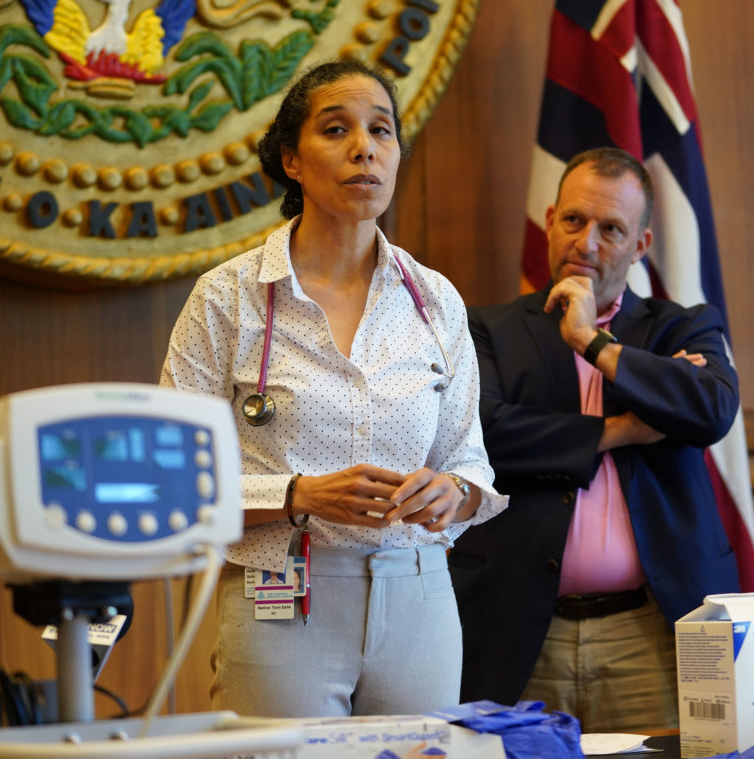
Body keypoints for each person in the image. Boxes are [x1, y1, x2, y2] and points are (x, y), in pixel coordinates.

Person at [159, 59, 506, 719]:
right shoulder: (227, 299)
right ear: (292, 159)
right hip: (279, 599)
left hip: (420, 598)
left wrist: (452, 492)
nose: (363, 148)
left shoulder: (434, 301)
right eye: (336, 129)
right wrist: (298, 495)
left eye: (381, 131)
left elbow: (471, 466)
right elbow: (176, 486)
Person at [447, 147, 741, 732]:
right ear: (550, 220)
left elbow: (708, 409)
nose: (586, 243)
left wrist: (592, 343)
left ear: (641, 247)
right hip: (521, 626)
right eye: (575, 221)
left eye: (612, 229)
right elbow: (485, 435)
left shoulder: (682, 325)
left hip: (652, 629)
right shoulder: (486, 328)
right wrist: (622, 430)